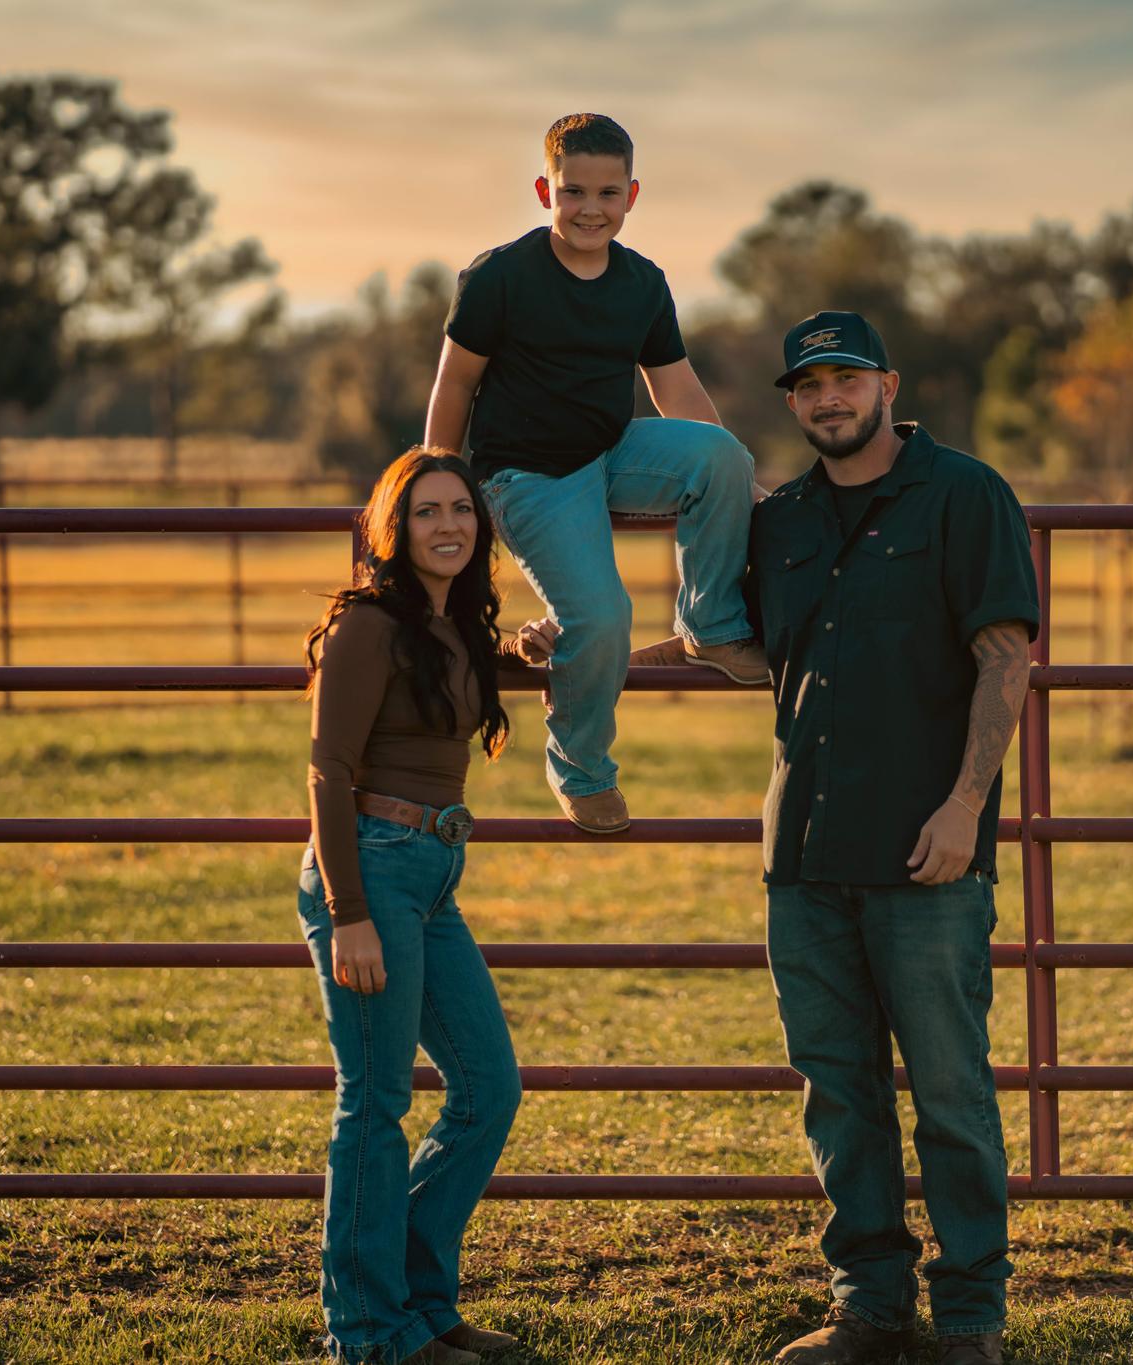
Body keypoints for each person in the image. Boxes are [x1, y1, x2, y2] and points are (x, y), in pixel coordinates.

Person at [747, 312, 1041, 1365]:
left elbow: (1003, 656)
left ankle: (968, 1317)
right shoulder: (778, 519)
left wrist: (965, 805)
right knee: (837, 1096)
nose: (828, 398)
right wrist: (582, 644)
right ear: (791, 400)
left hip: (926, 856)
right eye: (808, 384)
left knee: (951, 1094)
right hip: (803, 856)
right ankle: (869, 1306)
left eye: (846, 378)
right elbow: (742, 653)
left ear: (887, 384)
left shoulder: (964, 495)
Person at [423, 111, 766, 836]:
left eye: (608, 194)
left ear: (632, 196)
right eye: (573, 191)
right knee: (602, 616)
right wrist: (436, 483)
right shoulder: (500, 276)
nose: (590, 208)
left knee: (722, 455)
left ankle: (710, 624)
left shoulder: (643, 283)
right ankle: (580, 769)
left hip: (611, 453)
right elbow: (454, 384)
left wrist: (739, 481)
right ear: (546, 190)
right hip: (528, 474)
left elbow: (677, 393)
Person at [299, 446, 559, 1364]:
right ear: (390, 526)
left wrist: (527, 647)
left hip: (434, 871)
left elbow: (481, 679)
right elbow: (329, 768)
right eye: (424, 512)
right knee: (374, 1103)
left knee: (488, 1087)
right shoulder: (368, 623)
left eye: (461, 509)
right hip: (370, 868)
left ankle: (418, 1301)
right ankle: (370, 1333)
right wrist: (350, 910)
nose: (447, 525)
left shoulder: (451, 628)